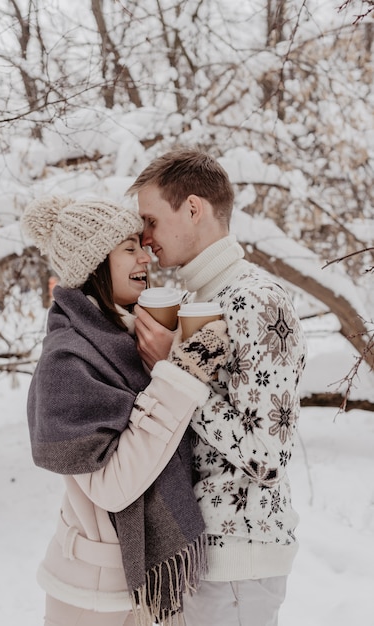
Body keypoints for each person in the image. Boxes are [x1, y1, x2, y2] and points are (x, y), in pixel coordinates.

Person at [20, 195, 230, 626]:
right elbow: (113, 486)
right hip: (92, 598)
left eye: (141, 243)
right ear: (95, 263)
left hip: (150, 589)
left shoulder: (130, 337)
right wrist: (182, 375)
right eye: (128, 247)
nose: (145, 254)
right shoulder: (69, 360)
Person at [126, 148, 307, 626]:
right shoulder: (195, 299)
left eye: (151, 221)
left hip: (237, 566)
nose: (145, 239)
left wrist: (174, 371)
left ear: (192, 209)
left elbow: (268, 454)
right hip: (194, 557)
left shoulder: (258, 300)